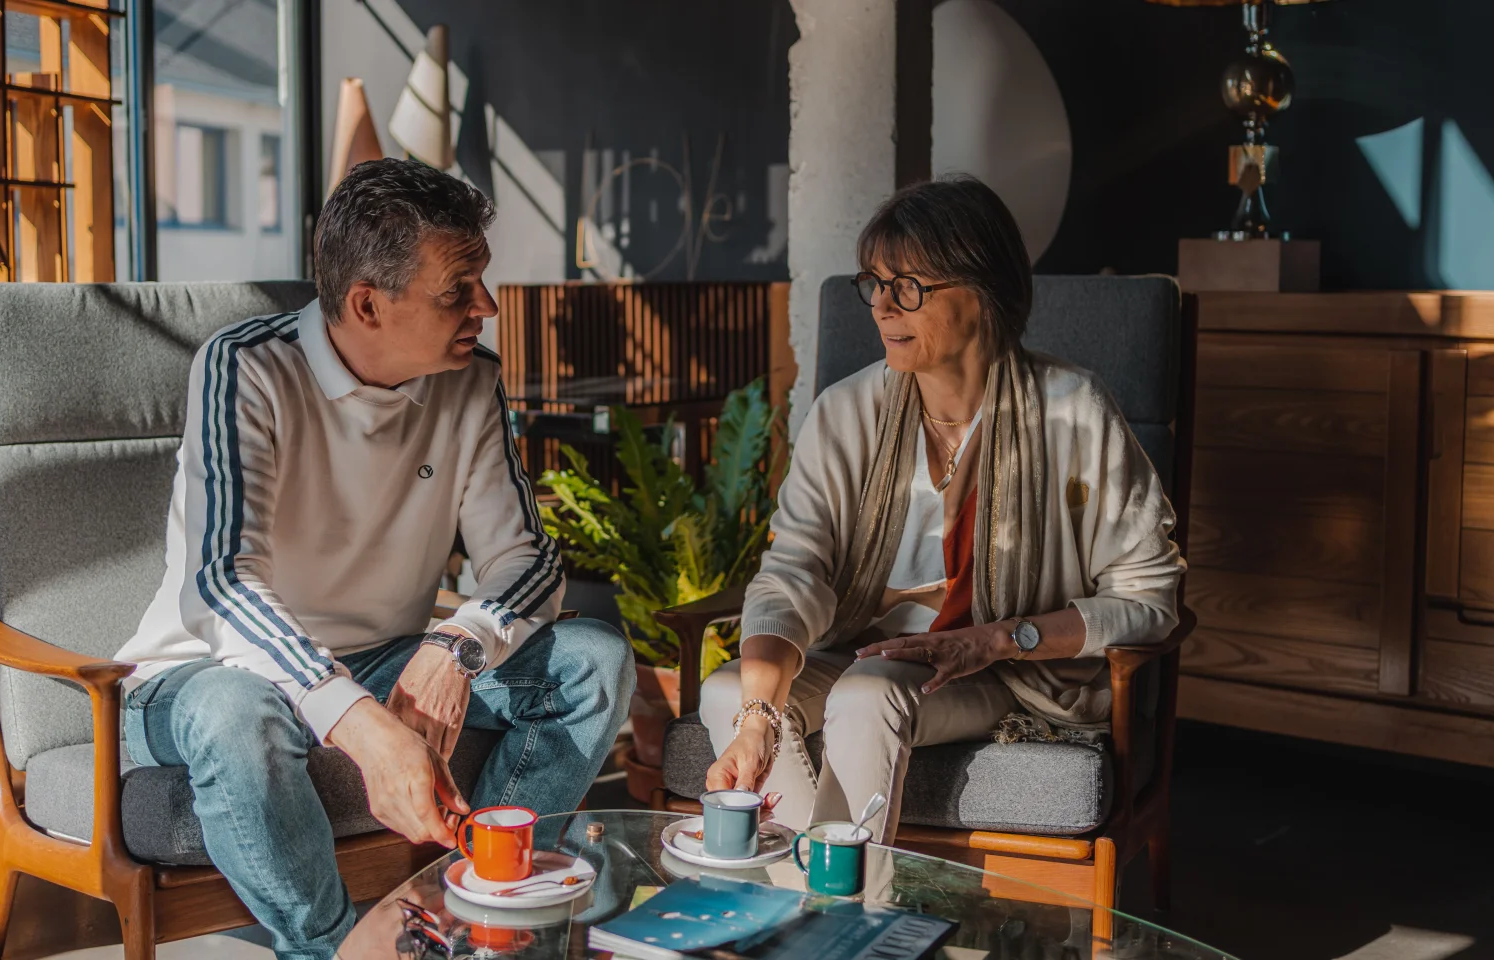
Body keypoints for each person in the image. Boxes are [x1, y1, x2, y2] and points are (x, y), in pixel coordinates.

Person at [115, 158, 634, 959]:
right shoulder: (243, 368)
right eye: (457, 289)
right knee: (233, 712)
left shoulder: (471, 383)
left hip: (385, 656)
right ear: (367, 303)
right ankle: (332, 952)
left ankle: (469, 924)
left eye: (482, 283)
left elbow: (526, 562)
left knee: (592, 661)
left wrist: (455, 648)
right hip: (206, 672)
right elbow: (222, 579)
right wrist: (353, 716)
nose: (485, 308)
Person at [700, 176, 1184, 843]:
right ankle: (827, 912)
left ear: (985, 294)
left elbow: (1151, 599)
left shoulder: (1073, 412)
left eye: (909, 287)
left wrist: (997, 638)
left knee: (869, 694)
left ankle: (827, 919)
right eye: (873, 282)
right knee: (731, 693)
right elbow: (792, 572)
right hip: (854, 647)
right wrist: (758, 716)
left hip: (1002, 674)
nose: (880, 306)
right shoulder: (845, 413)